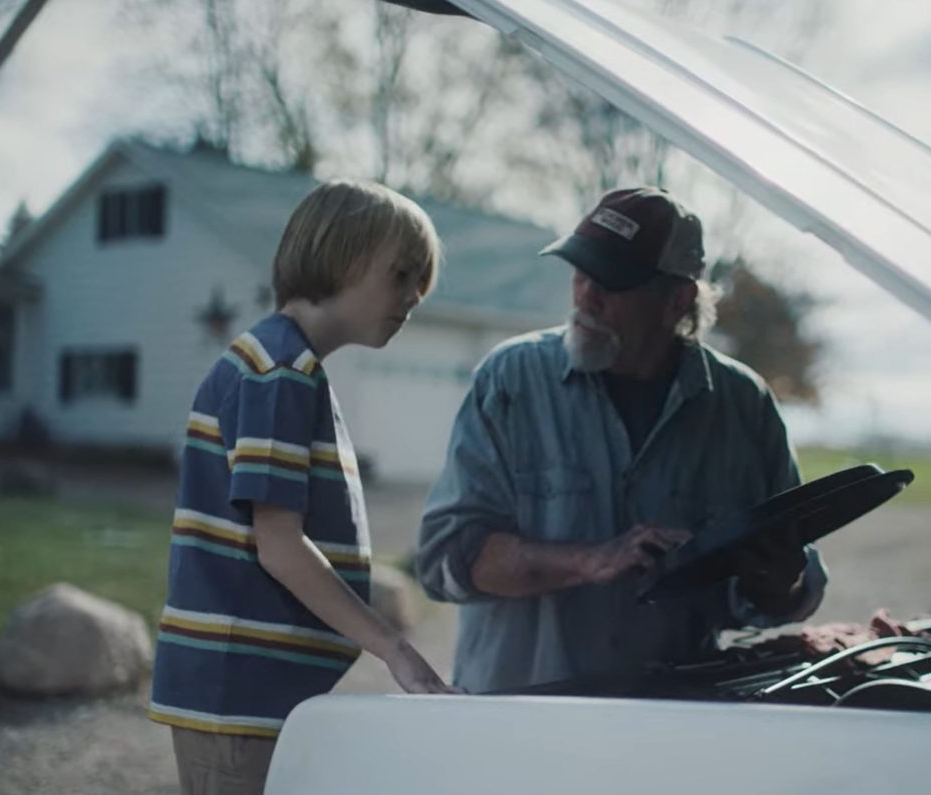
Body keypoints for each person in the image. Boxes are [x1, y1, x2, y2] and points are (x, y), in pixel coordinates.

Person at [415, 186, 828, 694]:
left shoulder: (742, 405)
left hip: (666, 725)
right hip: (520, 721)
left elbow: (789, 588)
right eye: (579, 271)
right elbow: (444, 560)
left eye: (610, 280)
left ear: (677, 299)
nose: (586, 294)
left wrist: (775, 576)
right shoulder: (510, 381)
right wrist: (588, 560)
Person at [149, 180, 459, 794]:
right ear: (339, 255)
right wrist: (391, 646)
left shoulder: (287, 368)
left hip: (248, 694)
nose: (411, 298)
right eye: (400, 276)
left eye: (418, 286)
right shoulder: (279, 374)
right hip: (236, 695)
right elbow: (280, 546)